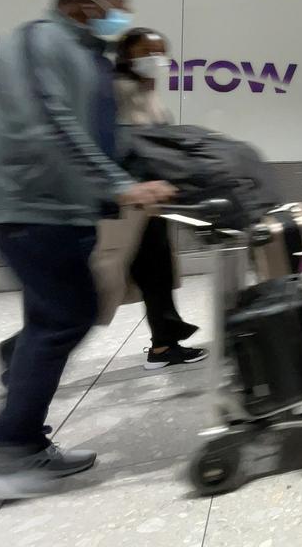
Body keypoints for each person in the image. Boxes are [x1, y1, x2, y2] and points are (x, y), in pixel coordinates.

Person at [0, 0, 175, 499]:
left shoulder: (87, 55)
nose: (121, 13)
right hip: (29, 205)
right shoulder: (35, 41)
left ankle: (9, 430)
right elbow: (52, 123)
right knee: (69, 315)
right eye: (115, 2)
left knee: (54, 317)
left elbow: (99, 134)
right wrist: (121, 185)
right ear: (83, 0)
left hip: (62, 209)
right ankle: (10, 443)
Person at [109, 28, 207, 369]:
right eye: (148, 52)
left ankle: (165, 344)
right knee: (100, 287)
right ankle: (19, 352)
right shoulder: (116, 91)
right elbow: (125, 147)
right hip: (129, 201)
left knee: (158, 271)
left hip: (150, 199)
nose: (157, 60)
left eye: (161, 52)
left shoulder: (143, 91)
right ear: (127, 55)